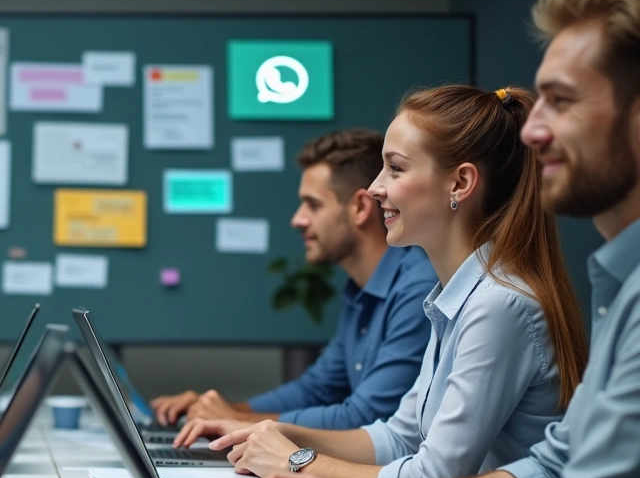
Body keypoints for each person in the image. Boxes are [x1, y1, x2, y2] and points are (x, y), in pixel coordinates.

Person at [230, 0, 640, 478]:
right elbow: (544, 468)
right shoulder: (493, 292)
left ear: (459, 185)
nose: (535, 130)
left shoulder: (501, 301)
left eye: (561, 102)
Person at [179, 84, 589, 478]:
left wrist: (293, 461)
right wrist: (277, 432)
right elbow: (399, 438)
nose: (376, 188)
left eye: (395, 168)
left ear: (460, 183)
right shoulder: (454, 297)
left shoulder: (498, 305)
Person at [152, 129, 436, 430]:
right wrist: (217, 410)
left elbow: (366, 417)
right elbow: (315, 389)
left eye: (313, 205)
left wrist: (236, 419)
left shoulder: (417, 289)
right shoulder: (361, 292)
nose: (297, 219)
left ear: (360, 208)